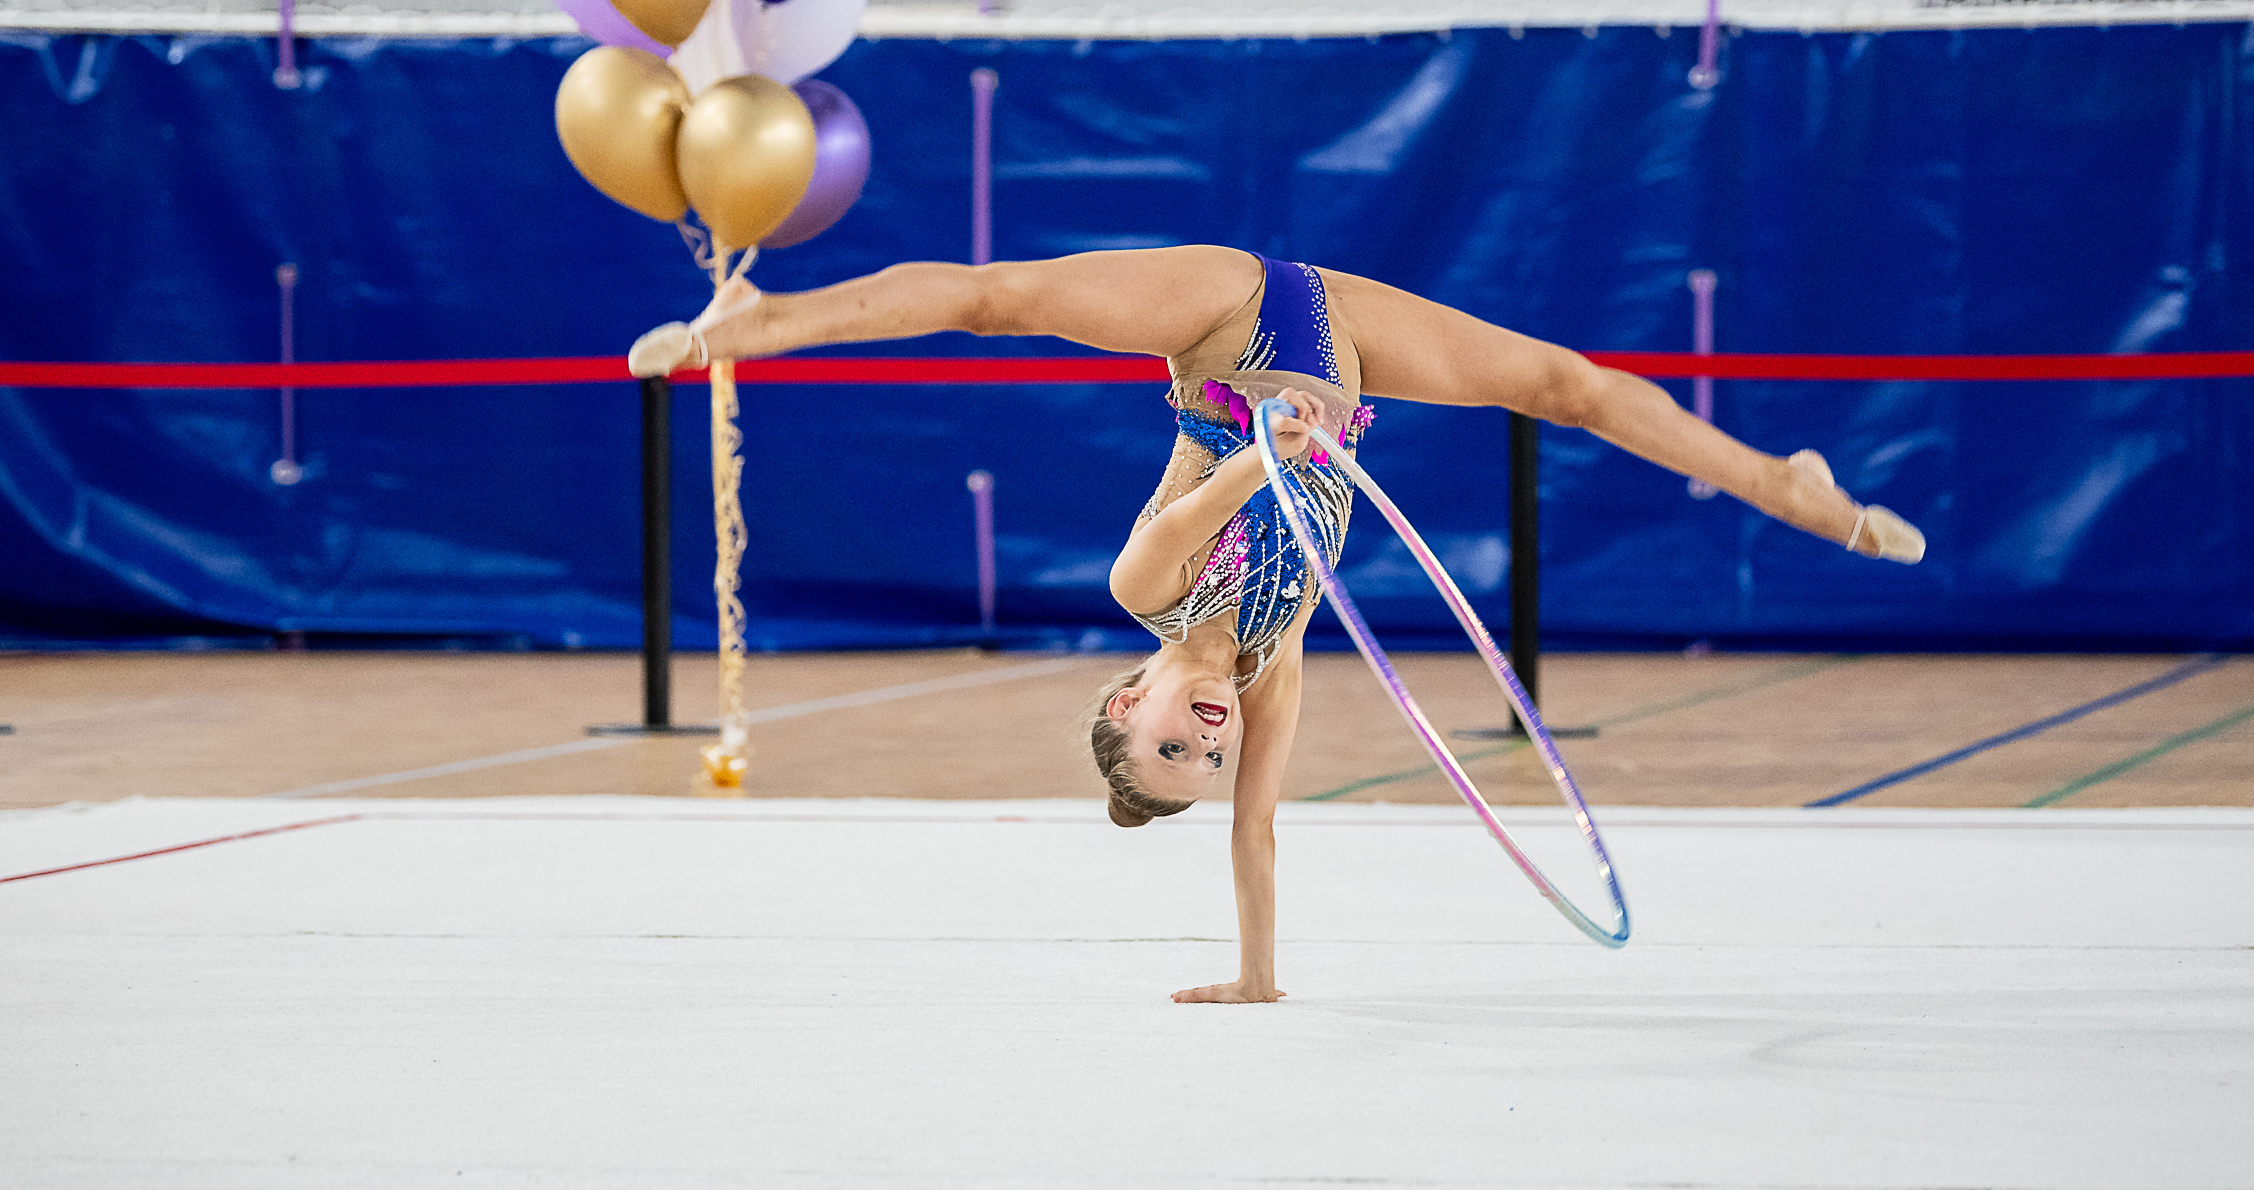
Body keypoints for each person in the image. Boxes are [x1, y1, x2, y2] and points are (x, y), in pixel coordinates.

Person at [628, 245, 1923, 1003]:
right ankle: (1785, 485)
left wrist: (1266, 448)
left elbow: (1202, 508)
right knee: (1561, 386)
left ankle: (755, 324)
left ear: (1122, 699)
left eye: (1169, 743)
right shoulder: (1279, 656)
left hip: (1227, 324)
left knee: (998, 298)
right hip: (1344, 352)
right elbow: (1254, 830)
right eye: (1206, 754)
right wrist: (1256, 974)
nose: (1207, 737)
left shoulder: (1143, 593)